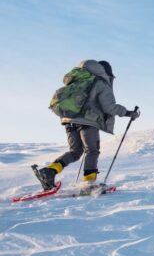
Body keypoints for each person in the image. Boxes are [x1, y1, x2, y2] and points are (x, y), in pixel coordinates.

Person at [35, 60, 140, 190]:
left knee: (75, 151)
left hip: (69, 120)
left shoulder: (78, 80)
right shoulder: (101, 83)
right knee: (92, 150)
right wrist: (128, 113)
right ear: (107, 72)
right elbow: (109, 107)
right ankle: (89, 184)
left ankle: (50, 171)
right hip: (87, 121)